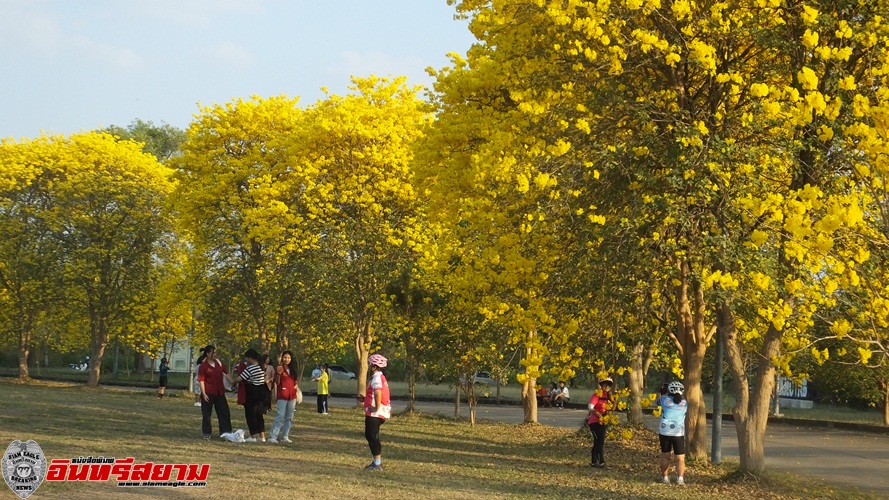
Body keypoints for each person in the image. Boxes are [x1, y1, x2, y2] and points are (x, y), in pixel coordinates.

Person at [197, 345, 233, 439]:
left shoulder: (219, 363)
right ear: (208, 353)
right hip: (208, 392)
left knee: (224, 412)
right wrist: (204, 394)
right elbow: (201, 380)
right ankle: (207, 433)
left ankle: (226, 433)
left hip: (219, 392)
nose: (215, 354)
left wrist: (233, 382)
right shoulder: (203, 366)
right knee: (207, 414)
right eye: (213, 352)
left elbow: (226, 373)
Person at [363, 353, 391, 471]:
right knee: (369, 435)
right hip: (376, 411)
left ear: (374, 367)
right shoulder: (379, 377)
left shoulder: (377, 378)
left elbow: (378, 392)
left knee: (372, 436)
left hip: (375, 413)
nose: (368, 367)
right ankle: (376, 462)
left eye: (369, 365)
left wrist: (376, 407)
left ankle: (377, 463)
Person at [232, 348, 267, 442]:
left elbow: (240, 378)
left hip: (252, 392)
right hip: (261, 390)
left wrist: (233, 382)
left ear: (251, 357)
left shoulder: (251, 368)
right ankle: (262, 436)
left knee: (250, 414)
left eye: (247, 358)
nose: (247, 360)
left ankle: (253, 435)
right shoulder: (262, 366)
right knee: (259, 414)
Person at [658, 381, 689, 485]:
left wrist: (662, 392)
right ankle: (680, 479)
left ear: (669, 391)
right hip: (678, 433)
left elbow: (657, 401)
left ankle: (665, 478)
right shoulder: (684, 403)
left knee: (665, 456)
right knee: (680, 458)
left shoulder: (664, 400)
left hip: (664, 432)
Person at [268, 350, 299, 443]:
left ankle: (285, 436)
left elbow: (296, 380)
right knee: (280, 416)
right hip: (283, 395)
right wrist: (279, 374)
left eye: (288, 358)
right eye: (285, 357)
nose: (287, 359)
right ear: (282, 358)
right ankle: (273, 436)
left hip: (292, 396)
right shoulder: (279, 368)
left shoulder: (293, 369)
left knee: (289, 417)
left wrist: (296, 385)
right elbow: (276, 382)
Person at [587, 377, 615, 468]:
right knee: (599, 441)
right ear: (601, 385)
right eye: (605, 384)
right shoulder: (597, 394)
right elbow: (590, 407)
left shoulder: (608, 396)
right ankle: (602, 462)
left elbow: (612, 408)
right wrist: (598, 415)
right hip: (595, 422)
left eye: (609, 385)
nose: (607, 387)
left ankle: (594, 461)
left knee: (599, 441)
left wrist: (615, 400)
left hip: (603, 422)